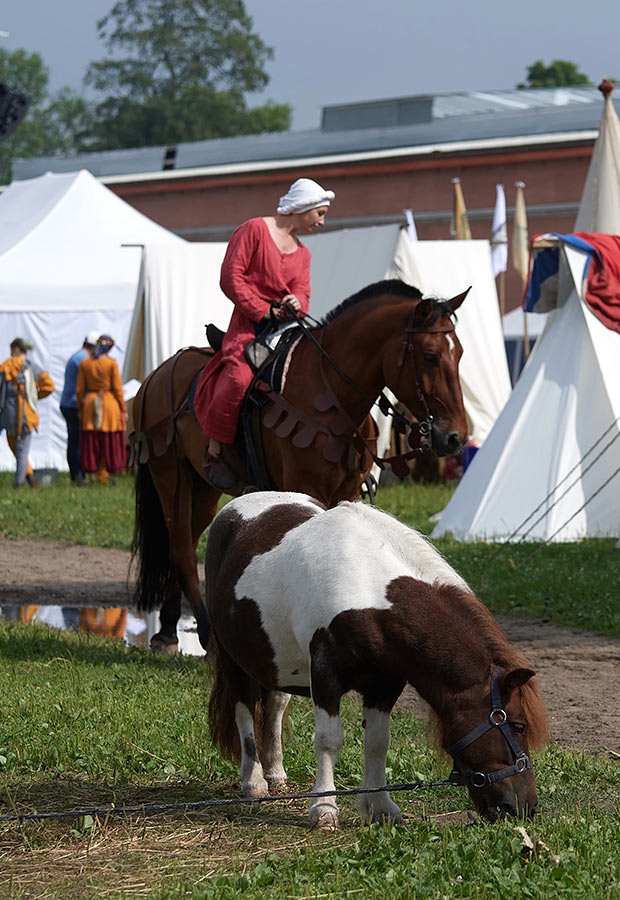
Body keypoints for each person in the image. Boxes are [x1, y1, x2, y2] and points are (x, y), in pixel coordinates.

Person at [194, 177, 335, 489]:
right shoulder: (254, 229)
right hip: (248, 327)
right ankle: (215, 450)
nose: (322, 221)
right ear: (304, 208)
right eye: (320, 213)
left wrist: (296, 302)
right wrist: (263, 309)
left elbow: (303, 291)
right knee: (239, 378)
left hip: (287, 330)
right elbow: (231, 278)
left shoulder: (303, 253)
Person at [0, 338, 55, 488]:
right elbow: (49, 386)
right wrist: (35, 396)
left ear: (16, 350)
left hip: (8, 417)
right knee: (22, 451)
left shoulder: (5, 367)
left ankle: (29, 478)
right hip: (26, 416)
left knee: (16, 449)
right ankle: (19, 483)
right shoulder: (32, 368)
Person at [76, 334, 128, 484]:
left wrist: (80, 408)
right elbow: (118, 389)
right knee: (111, 441)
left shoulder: (85, 364)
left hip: (90, 405)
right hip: (110, 405)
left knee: (91, 441)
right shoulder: (111, 364)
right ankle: (112, 476)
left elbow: (79, 390)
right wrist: (123, 410)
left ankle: (92, 476)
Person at [60, 330, 99, 485]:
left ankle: (77, 474)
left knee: (74, 440)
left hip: (68, 403)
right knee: (77, 441)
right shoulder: (83, 360)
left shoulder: (77, 357)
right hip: (74, 405)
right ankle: (78, 475)